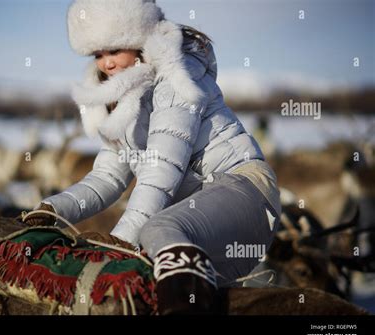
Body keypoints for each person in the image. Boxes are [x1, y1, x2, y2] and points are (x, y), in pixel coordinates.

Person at [25, 0, 281, 315]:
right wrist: (52, 210)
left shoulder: (176, 76)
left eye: (114, 49)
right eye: (97, 54)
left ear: (137, 37)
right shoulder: (118, 100)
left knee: (154, 231)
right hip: (196, 216)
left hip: (244, 190)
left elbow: (162, 168)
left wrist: (120, 243)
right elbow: (107, 177)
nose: (106, 64)